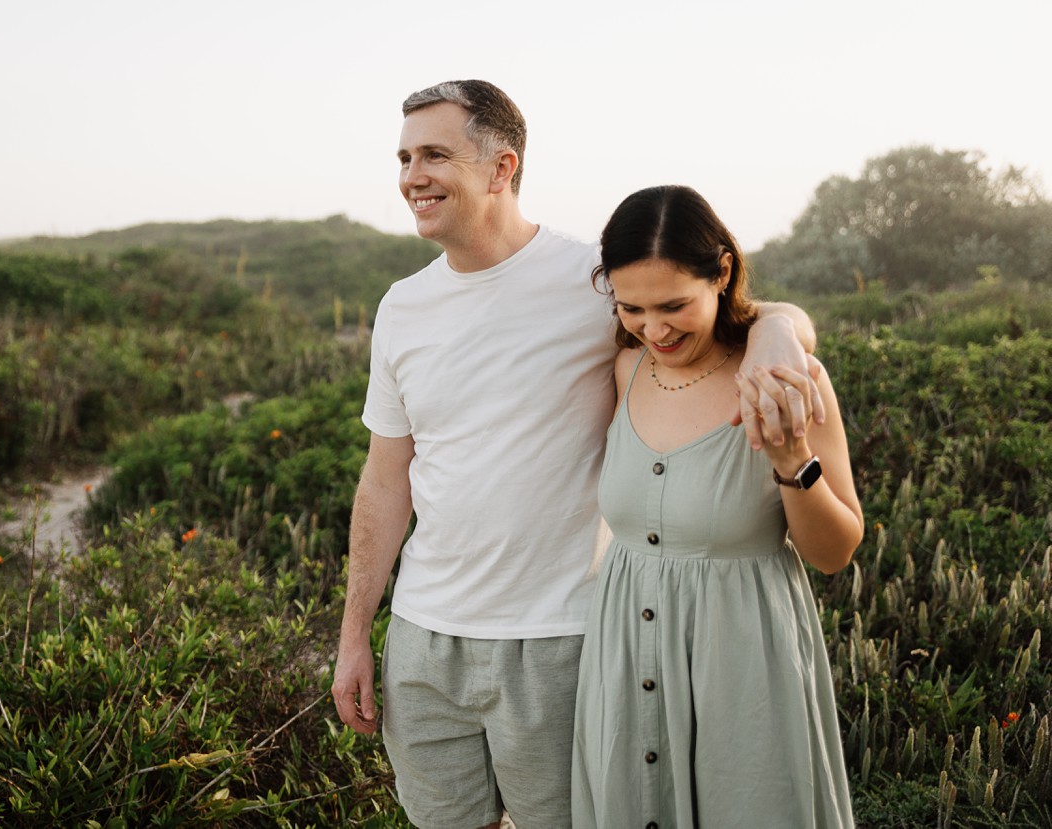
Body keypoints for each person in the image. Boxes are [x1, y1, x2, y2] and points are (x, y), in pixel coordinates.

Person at [330, 80, 825, 829]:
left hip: (562, 639)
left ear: (502, 167)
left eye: (434, 154)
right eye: (403, 157)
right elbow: (385, 479)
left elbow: (718, 311)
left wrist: (781, 330)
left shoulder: (592, 281)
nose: (411, 176)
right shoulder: (400, 307)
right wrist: (355, 635)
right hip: (424, 643)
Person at [571, 185, 859, 827]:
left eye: (674, 305)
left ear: (722, 272)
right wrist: (781, 320)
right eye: (633, 309)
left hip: (744, 671)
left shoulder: (788, 381)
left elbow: (835, 552)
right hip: (623, 661)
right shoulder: (624, 370)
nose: (655, 330)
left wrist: (792, 463)